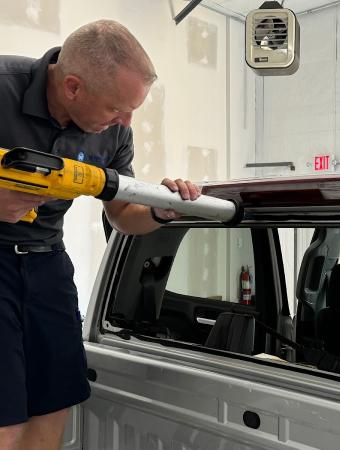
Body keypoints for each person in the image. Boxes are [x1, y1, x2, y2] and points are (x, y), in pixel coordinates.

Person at [0, 20, 200, 449]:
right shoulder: (2, 88)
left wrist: (162, 212)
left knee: (52, 404)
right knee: (6, 419)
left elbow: (124, 214)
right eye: (116, 109)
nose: (126, 122)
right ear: (73, 87)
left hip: (47, 263)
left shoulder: (115, 134)